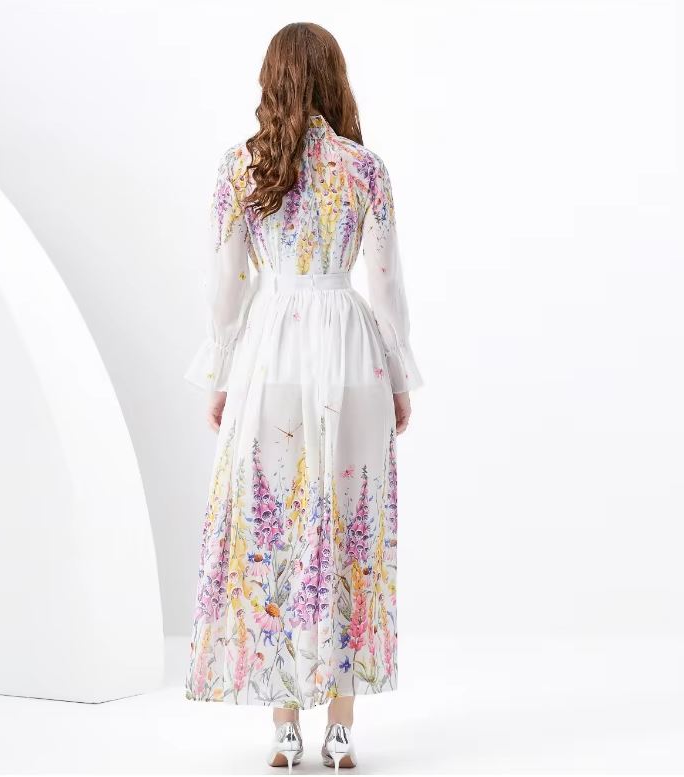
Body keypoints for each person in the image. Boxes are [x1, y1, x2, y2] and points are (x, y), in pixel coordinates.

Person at [183, 21, 423, 773]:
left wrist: (221, 371)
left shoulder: (242, 166)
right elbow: (384, 285)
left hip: (272, 355)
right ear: (334, 79)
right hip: (350, 354)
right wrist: (399, 377)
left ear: (272, 79)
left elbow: (227, 288)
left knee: (275, 530)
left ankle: (284, 728)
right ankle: (341, 729)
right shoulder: (365, 170)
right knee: (350, 529)